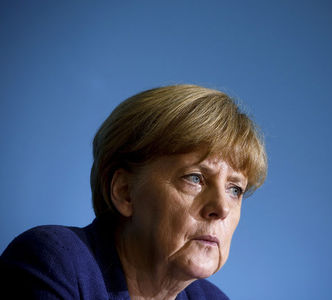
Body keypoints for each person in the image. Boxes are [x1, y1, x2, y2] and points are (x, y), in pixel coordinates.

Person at [0, 84, 267, 299]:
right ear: (125, 192)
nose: (221, 208)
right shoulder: (55, 263)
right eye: (195, 178)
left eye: (235, 189)